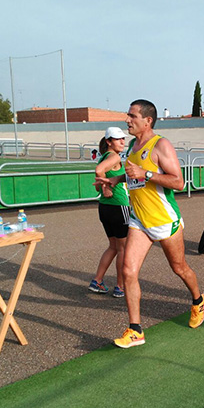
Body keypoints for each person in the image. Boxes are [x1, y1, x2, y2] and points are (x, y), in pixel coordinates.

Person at [98, 99, 204, 348]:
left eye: (132, 116)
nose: (127, 120)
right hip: (139, 220)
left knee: (179, 268)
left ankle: (198, 300)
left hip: (163, 220)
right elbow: (132, 174)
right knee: (128, 271)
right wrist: (116, 181)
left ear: (147, 120)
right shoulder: (132, 147)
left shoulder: (161, 145)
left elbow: (178, 182)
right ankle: (135, 329)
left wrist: (146, 174)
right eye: (127, 115)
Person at [89, 127, 130, 298]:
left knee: (113, 247)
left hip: (105, 208)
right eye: (118, 139)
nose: (122, 142)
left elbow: (98, 176)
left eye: (123, 138)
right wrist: (106, 188)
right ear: (108, 141)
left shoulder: (105, 156)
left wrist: (102, 186)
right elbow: (99, 171)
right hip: (118, 206)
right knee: (123, 249)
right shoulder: (113, 156)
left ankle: (97, 281)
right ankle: (120, 287)